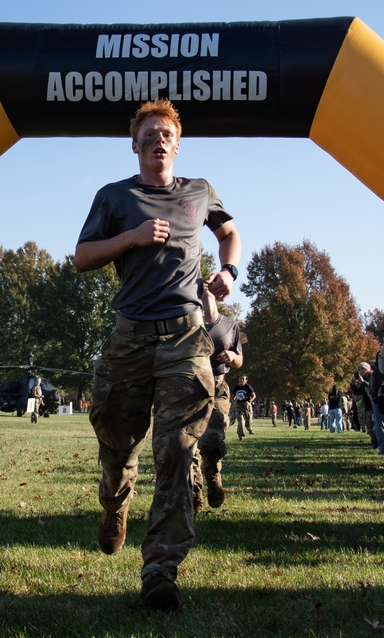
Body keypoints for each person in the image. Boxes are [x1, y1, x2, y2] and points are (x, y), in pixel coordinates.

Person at [73, 98, 240, 611]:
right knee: (117, 447)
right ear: (135, 144)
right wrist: (131, 238)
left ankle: (160, 569)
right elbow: (81, 258)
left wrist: (229, 272)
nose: (158, 140)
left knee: (177, 452)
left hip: (187, 339)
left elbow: (229, 231)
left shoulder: (200, 191)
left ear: (177, 141)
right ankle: (114, 502)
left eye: (166, 133)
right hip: (129, 338)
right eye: (149, 134)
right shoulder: (114, 197)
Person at [194, 284, 243, 511]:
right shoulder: (188, 321)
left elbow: (240, 360)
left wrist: (232, 355)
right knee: (188, 445)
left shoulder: (229, 325)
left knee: (211, 441)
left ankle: (213, 477)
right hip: (189, 386)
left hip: (218, 387)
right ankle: (194, 493)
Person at [230, 375, 257, 440]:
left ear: (246, 381)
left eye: (243, 379)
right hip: (238, 406)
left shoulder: (248, 387)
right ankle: (240, 435)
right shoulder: (236, 387)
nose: (241, 380)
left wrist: (249, 401)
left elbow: (254, 396)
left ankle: (250, 429)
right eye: (240, 379)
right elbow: (233, 396)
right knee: (241, 421)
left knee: (249, 421)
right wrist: (234, 400)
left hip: (246, 406)